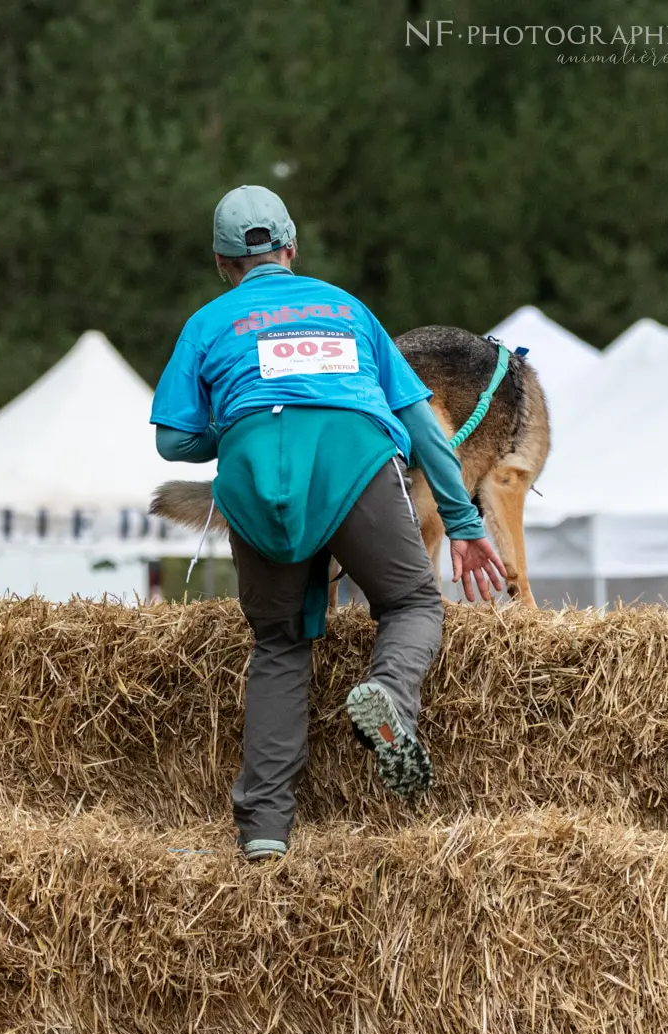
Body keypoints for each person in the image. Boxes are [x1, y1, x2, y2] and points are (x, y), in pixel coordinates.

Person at [150, 186, 506, 861]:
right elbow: (421, 425)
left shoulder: (207, 323)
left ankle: (263, 831)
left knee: (280, 644)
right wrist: (462, 521)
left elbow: (172, 441)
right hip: (355, 464)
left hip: (255, 474)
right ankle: (390, 695)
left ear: (223, 263)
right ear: (291, 247)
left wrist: (238, 419)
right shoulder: (347, 309)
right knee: (409, 600)